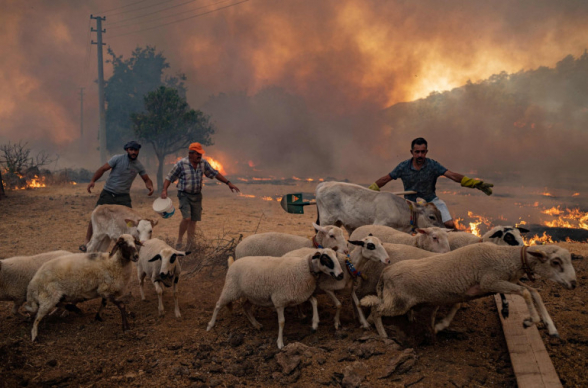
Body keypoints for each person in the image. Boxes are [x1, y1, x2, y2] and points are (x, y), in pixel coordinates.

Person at [368, 137, 493, 229]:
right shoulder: (403, 167)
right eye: (417, 152)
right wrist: (370, 190)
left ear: (426, 152)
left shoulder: (433, 165)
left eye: (423, 152)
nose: (420, 155)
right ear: (411, 152)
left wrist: (473, 183)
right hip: (411, 205)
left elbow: (452, 175)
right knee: (404, 230)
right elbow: (386, 178)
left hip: (432, 201)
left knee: (449, 225)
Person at [161, 142, 240, 249]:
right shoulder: (181, 164)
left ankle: (190, 244)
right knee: (187, 218)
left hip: (197, 196)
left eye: (200, 153)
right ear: (190, 153)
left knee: (193, 221)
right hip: (184, 194)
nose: (200, 156)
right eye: (197, 154)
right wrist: (164, 190)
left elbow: (215, 173)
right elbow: (169, 177)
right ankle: (179, 239)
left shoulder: (203, 163)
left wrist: (228, 183)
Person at [80, 140, 154, 251]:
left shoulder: (138, 165)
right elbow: (103, 169)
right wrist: (92, 180)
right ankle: (86, 242)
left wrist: (150, 186)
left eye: (136, 150)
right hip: (108, 193)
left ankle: (126, 244)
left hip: (123, 196)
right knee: (96, 214)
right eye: (131, 150)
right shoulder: (117, 159)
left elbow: (147, 179)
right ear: (127, 150)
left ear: (138, 151)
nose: (134, 152)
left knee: (130, 221)